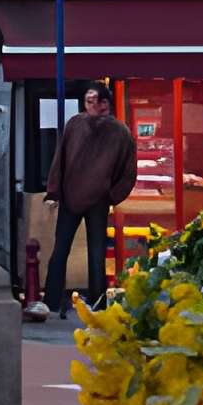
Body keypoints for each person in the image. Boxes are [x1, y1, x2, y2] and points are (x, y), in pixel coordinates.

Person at [43, 83, 137, 316]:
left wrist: (111, 196)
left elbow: (128, 173)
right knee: (79, 252)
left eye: (94, 101)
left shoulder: (107, 130)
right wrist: (111, 195)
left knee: (78, 252)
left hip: (84, 197)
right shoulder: (88, 127)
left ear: (105, 104)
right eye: (88, 101)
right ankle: (85, 302)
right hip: (85, 197)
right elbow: (61, 159)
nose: (91, 105)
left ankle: (69, 301)